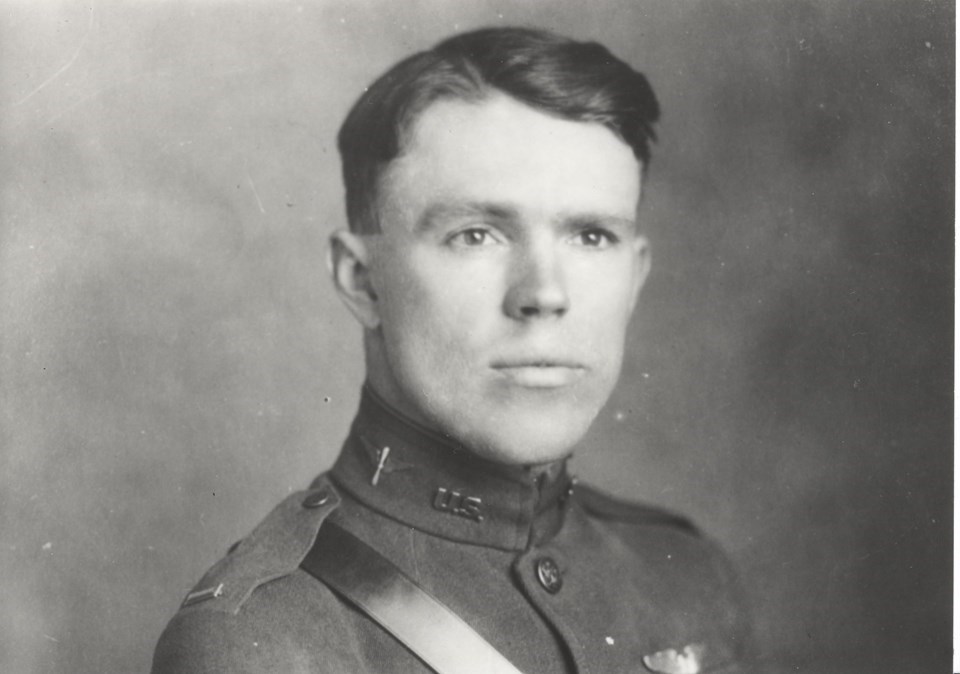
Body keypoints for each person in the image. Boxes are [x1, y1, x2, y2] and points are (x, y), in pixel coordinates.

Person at [152, 26, 753, 674]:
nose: (545, 293)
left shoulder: (687, 579)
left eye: (590, 236)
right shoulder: (266, 640)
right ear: (363, 283)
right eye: (476, 235)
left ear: (635, 277)